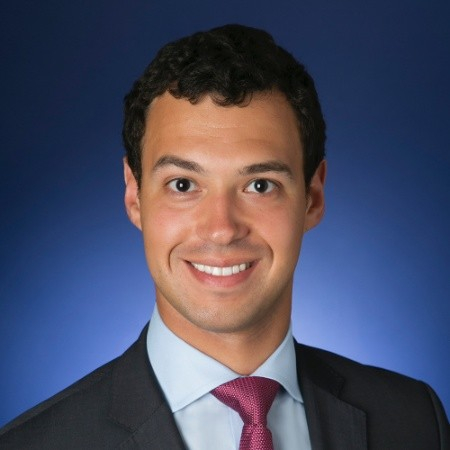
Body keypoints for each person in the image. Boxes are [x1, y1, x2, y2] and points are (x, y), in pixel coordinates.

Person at [0, 24, 448, 450]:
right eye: (182, 185)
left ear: (312, 197)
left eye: (260, 185)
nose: (221, 228)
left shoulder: (414, 421)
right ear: (134, 196)